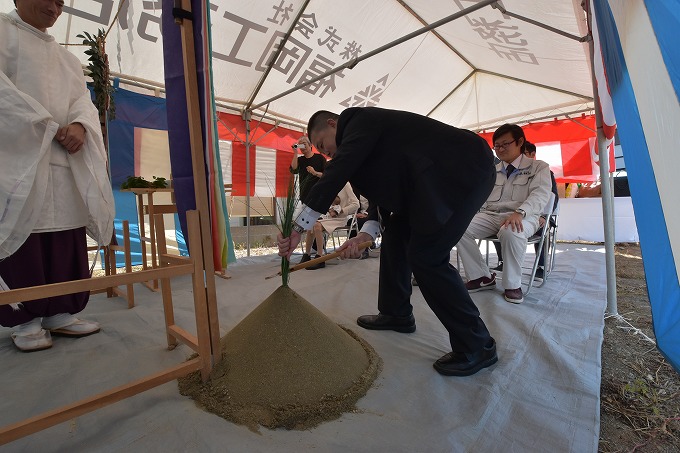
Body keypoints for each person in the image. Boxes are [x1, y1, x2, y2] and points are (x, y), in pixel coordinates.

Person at [278, 107, 498, 377]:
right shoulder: (364, 150)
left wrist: (299, 226)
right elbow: (384, 196)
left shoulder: (358, 120)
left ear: (334, 124)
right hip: (421, 189)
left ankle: (477, 344)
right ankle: (397, 314)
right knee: (395, 234)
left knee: (427, 256)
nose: (327, 154)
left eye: (324, 145)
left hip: (462, 169)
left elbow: (339, 168)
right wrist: (365, 235)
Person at [0, 0, 115, 352]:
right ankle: (25, 319)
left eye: (60, 2)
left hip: (66, 161)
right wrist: (45, 124)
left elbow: (83, 101)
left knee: (65, 232)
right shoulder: (2, 34)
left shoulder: (68, 60)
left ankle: (61, 311)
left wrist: (80, 125)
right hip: (18, 159)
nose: (54, 7)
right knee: (23, 233)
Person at [456, 124, 552, 304]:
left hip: (525, 215)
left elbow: (541, 194)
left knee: (511, 232)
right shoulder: (491, 169)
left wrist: (520, 212)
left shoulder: (538, 167)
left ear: (520, 142)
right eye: (496, 146)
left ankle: (513, 285)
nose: (499, 149)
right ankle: (481, 277)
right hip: (491, 215)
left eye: (504, 144)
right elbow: (480, 196)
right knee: (458, 228)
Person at [492, 141, 558, 279]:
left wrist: (544, 217)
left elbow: (552, 198)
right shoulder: (503, 171)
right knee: (500, 227)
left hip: (540, 215)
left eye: (523, 154)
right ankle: (503, 260)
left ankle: (541, 265)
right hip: (509, 214)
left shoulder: (542, 170)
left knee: (541, 229)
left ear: (532, 154)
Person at [305, 183, 359, 270]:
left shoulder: (345, 184)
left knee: (317, 226)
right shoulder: (330, 183)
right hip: (328, 216)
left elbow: (356, 204)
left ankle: (320, 257)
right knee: (311, 225)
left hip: (340, 218)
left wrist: (341, 210)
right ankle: (306, 256)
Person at [290, 135, 326, 262]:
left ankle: (319, 255)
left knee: (314, 226)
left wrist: (315, 173)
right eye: (300, 144)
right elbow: (293, 170)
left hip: (319, 197)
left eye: (304, 143)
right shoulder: (300, 160)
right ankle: (307, 254)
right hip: (305, 198)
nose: (302, 146)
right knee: (309, 227)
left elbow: (327, 176)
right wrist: (295, 153)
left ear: (310, 145)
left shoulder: (319, 158)